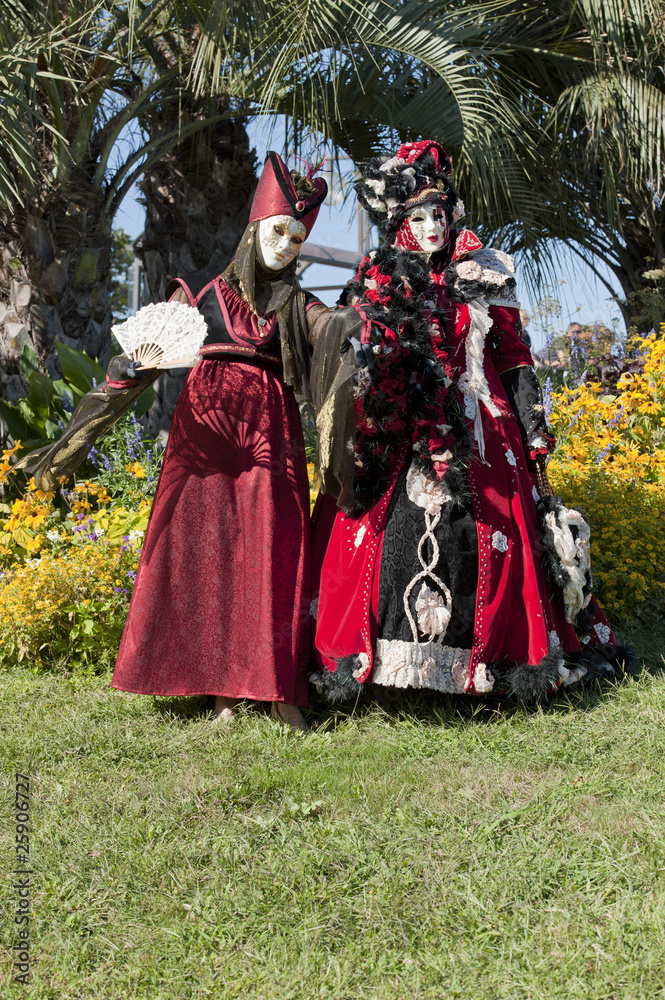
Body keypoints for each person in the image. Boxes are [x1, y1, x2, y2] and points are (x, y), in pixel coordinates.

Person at [309, 140, 628, 703]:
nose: (432, 226)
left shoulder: (484, 270)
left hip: (481, 417)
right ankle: (381, 662)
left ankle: (488, 661)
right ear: (401, 221)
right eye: (419, 216)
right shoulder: (378, 274)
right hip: (402, 418)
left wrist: (532, 423)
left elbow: (513, 354)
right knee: (390, 530)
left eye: (440, 213)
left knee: (485, 529)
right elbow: (354, 348)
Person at [108, 152, 330, 730]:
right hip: (205, 433)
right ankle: (221, 689)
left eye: (298, 238)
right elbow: (139, 361)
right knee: (206, 551)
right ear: (255, 229)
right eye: (279, 231)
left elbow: (334, 337)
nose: (287, 245)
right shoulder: (202, 293)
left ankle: (278, 687)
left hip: (270, 437)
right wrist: (119, 380)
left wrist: (358, 322)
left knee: (273, 549)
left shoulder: (298, 305)